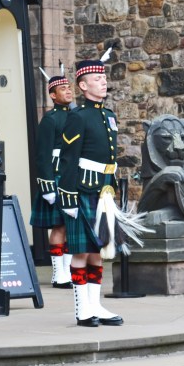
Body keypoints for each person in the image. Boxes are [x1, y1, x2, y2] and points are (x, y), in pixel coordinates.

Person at [56, 59, 123, 327]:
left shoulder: (108, 116)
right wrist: (68, 196)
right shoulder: (77, 116)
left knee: (98, 250)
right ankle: (82, 309)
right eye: (96, 78)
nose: (103, 81)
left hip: (104, 191)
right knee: (81, 252)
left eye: (104, 77)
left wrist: (112, 188)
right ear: (83, 86)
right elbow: (69, 159)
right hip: (82, 189)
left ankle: (96, 305)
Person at [29, 73, 74, 289]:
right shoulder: (50, 119)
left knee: (70, 226)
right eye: (63, 88)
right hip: (56, 176)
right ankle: (58, 273)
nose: (68, 90)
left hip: (72, 176)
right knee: (59, 226)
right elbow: (42, 155)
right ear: (53, 95)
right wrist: (47, 185)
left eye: (69, 87)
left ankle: (68, 271)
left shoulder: (76, 116)